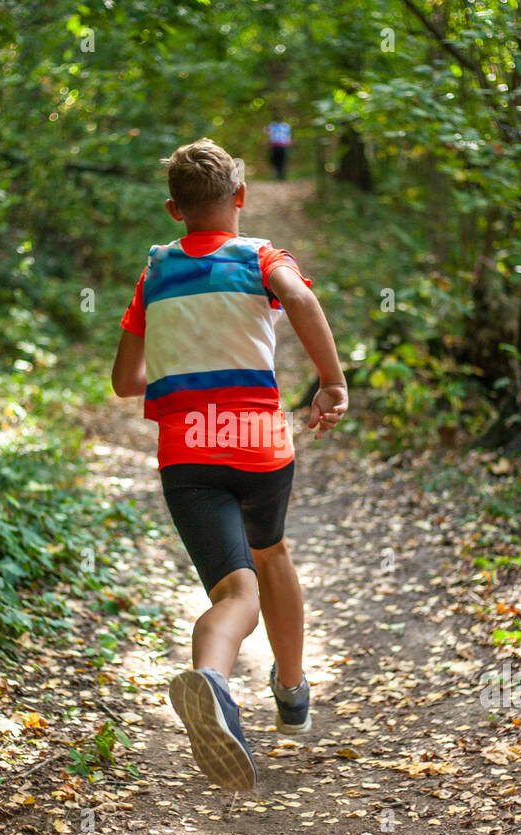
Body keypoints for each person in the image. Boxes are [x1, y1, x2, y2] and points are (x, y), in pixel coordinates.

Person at [111, 138, 348, 792]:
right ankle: (292, 691)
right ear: (240, 198)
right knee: (270, 554)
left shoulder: (155, 272)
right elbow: (297, 299)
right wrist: (331, 382)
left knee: (232, 592)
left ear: (172, 210)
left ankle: (212, 681)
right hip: (259, 443)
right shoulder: (260, 256)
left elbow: (127, 380)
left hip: (186, 453)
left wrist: (178, 357)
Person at [265, 114, 292, 180]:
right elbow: (267, 133)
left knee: (281, 160)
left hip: (281, 146)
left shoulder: (285, 126)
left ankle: (281, 175)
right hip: (276, 146)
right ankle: (279, 174)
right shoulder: (274, 125)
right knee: (277, 160)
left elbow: (288, 136)